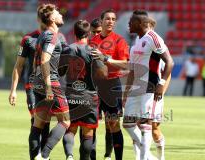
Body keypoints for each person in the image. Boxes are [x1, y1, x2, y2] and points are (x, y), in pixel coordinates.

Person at [122, 10, 174, 160]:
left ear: (139, 23)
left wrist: (162, 83)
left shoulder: (153, 38)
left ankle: (145, 157)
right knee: (128, 123)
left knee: (146, 125)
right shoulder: (135, 41)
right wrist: (126, 92)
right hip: (135, 89)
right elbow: (132, 69)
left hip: (150, 87)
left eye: (131, 22)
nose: (128, 24)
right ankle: (149, 156)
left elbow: (170, 61)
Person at [61, 20, 108, 160]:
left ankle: (69, 155)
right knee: (88, 134)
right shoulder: (93, 51)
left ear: (74, 33)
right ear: (88, 34)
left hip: (71, 95)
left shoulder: (67, 49)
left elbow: (61, 71)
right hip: (89, 97)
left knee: (70, 130)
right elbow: (104, 74)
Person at [8, 4, 50, 158]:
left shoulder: (57, 38)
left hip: (50, 86)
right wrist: (13, 90)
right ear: (39, 18)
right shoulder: (28, 39)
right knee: (36, 121)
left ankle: (44, 156)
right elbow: (18, 66)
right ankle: (35, 156)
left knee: (46, 124)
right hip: (32, 85)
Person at [29, 4, 70, 160]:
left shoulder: (42, 35)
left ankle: (36, 157)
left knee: (38, 124)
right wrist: (48, 87)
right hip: (50, 82)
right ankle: (44, 156)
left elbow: (36, 61)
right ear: (52, 18)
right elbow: (45, 60)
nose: (60, 14)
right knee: (65, 121)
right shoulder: (52, 36)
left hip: (38, 82)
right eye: (57, 12)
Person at [90, 9, 129, 160]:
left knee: (113, 123)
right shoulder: (93, 41)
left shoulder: (119, 41)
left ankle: (115, 157)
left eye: (113, 19)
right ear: (101, 21)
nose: (111, 21)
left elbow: (125, 64)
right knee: (91, 124)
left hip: (112, 85)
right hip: (94, 86)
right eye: (107, 19)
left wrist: (105, 58)